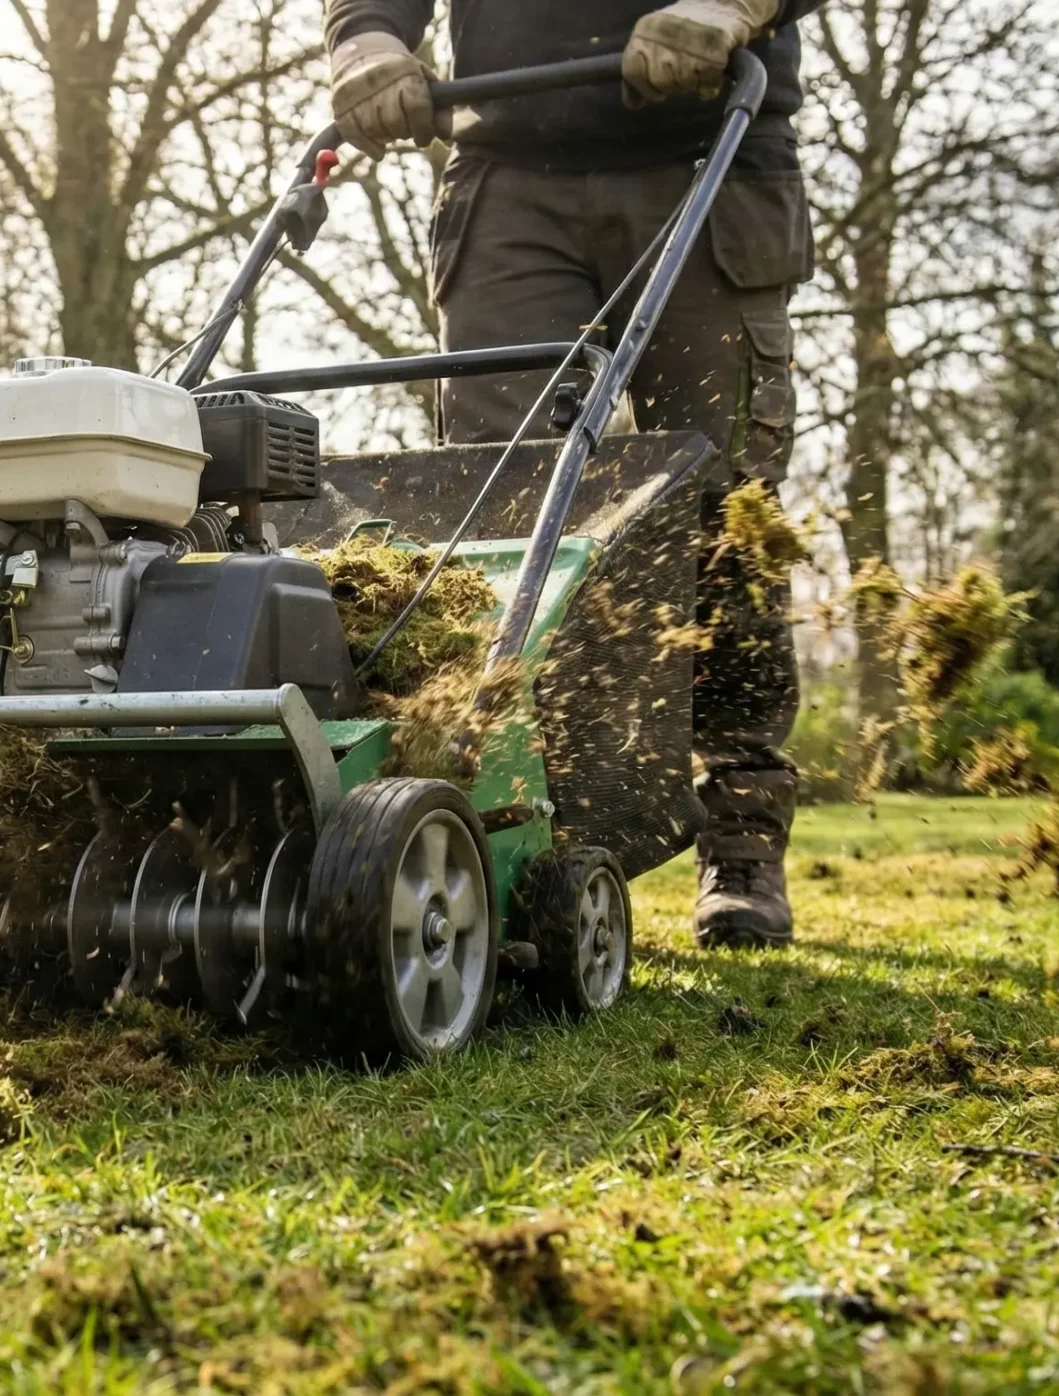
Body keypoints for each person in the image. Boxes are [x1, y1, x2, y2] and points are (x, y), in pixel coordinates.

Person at [322, 0, 820, 949]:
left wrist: (729, 7)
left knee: (728, 516)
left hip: (707, 145)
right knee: (492, 512)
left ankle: (743, 833)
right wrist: (368, 38)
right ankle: (503, 820)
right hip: (507, 168)